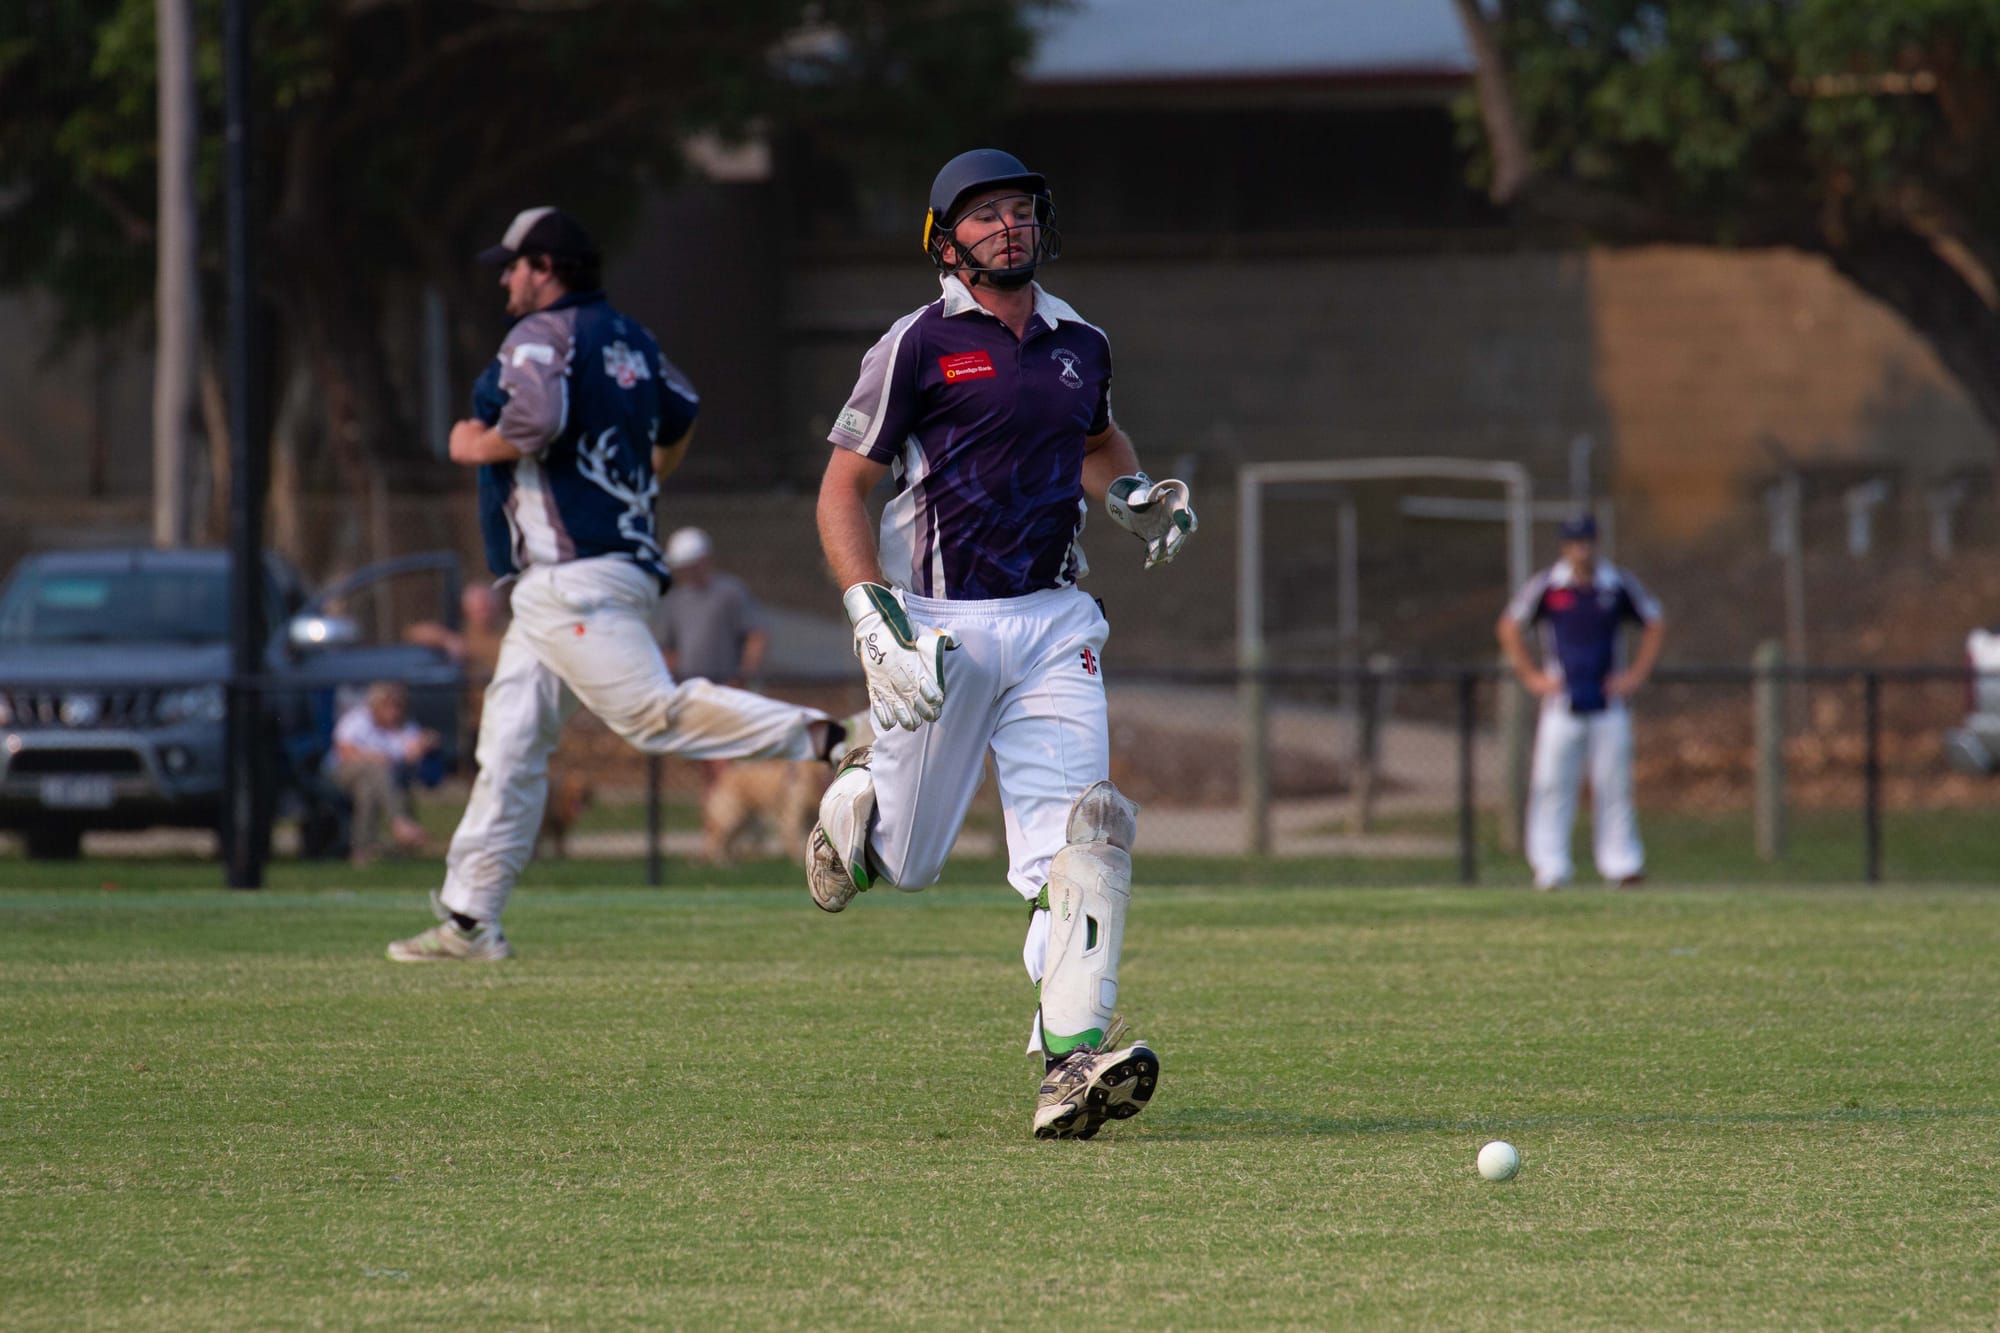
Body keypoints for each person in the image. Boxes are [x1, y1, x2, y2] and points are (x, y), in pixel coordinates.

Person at [806, 149, 1197, 1140]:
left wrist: (1134, 499)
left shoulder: (1081, 343)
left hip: (1056, 617)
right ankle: (859, 806)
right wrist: (868, 616)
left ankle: (1070, 1064)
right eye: (983, 215)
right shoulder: (915, 345)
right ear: (945, 240)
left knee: (1089, 834)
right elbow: (842, 489)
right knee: (906, 861)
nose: (1007, 226)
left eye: (1019, 209)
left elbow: (1098, 444)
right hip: (939, 626)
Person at [387, 206, 843, 963]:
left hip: (570, 576)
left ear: (548, 268)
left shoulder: (538, 335)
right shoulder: (632, 336)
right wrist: (649, 472)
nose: (505, 277)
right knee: (509, 749)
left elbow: (533, 422)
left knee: (646, 714)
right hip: (600, 571)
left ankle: (830, 736)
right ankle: (469, 918)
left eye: (514, 264)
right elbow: (682, 412)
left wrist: (472, 442)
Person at [1496, 513, 1667, 890]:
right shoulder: (1549, 586)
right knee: (1553, 784)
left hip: (1608, 704)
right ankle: (1551, 865)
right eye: (1574, 542)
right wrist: (1531, 676)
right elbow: (1509, 625)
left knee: (1614, 784)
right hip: (1562, 703)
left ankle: (1621, 863)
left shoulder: (1616, 584)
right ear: (1564, 546)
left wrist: (1634, 676)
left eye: (1587, 541)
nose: (1581, 549)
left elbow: (1654, 622)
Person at [330, 681, 440, 866]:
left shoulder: (405, 727)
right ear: (376, 706)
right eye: (388, 706)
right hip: (341, 773)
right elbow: (345, 753)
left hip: (379, 782)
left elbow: (412, 755)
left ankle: (361, 851)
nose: (394, 712)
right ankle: (399, 821)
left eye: (397, 707)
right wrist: (374, 758)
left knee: (367, 790)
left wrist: (424, 743)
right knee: (376, 769)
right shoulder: (356, 720)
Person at [655, 526, 768, 689]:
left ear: (705, 559)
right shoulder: (675, 600)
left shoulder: (731, 592)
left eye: (692, 565)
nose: (688, 572)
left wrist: (743, 676)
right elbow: (668, 648)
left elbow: (757, 636)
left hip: (729, 686)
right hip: (691, 687)